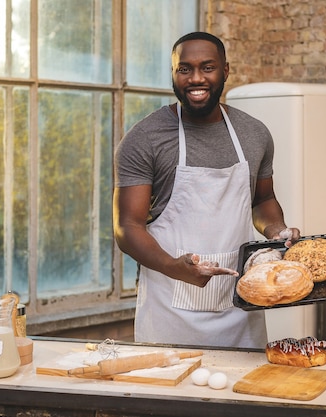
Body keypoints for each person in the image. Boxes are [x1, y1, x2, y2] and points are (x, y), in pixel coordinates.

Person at [113, 31, 300, 349]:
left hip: (241, 313)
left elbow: (263, 199)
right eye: (184, 69)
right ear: (173, 73)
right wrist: (176, 267)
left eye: (207, 67)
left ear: (225, 70)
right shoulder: (145, 138)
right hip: (170, 315)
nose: (195, 78)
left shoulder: (254, 134)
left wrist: (277, 231)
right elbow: (126, 227)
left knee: (241, 395)